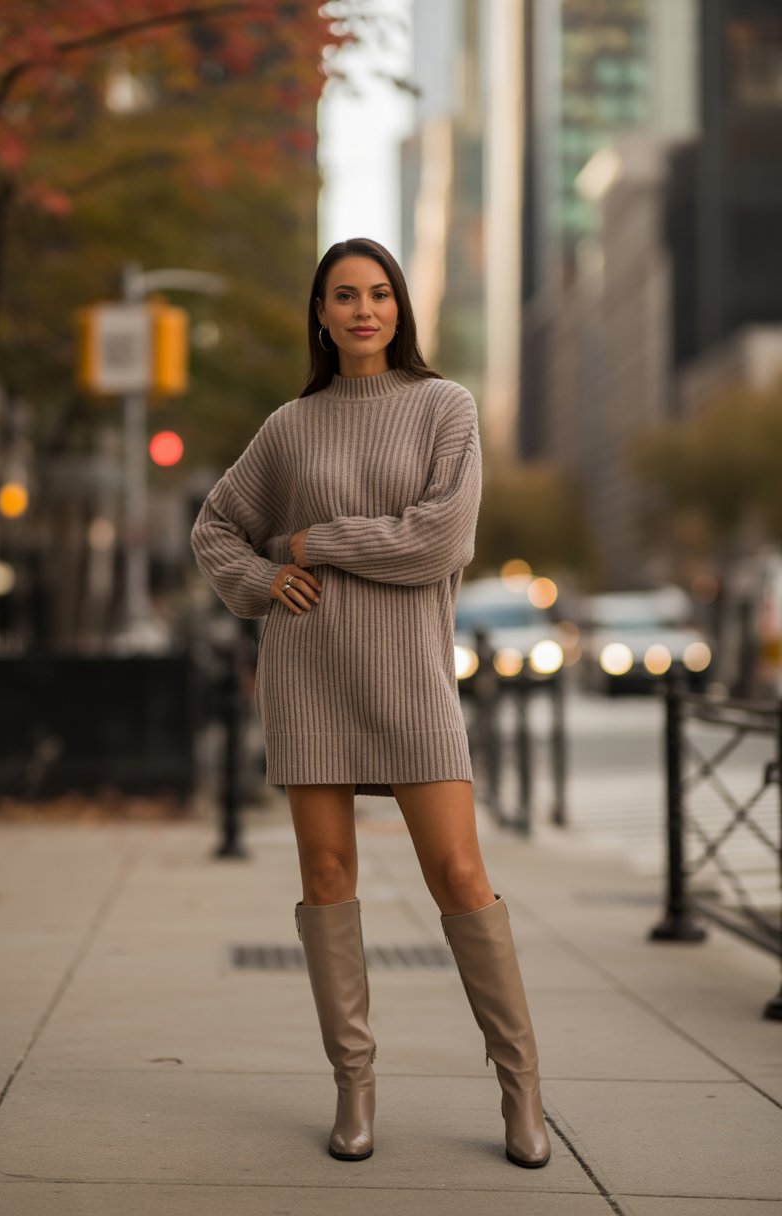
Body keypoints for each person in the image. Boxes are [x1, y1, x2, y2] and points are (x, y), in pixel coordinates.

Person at [191, 237, 550, 1169]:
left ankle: (521, 1090)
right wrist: (268, 579)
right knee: (324, 875)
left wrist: (316, 541)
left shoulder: (444, 408)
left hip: (411, 678)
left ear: (400, 309)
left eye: (379, 294)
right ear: (319, 313)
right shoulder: (288, 427)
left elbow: (439, 539)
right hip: (309, 675)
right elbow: (215, 526)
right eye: (344, 295)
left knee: (461, 878)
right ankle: (354, 1087)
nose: (363, 310)